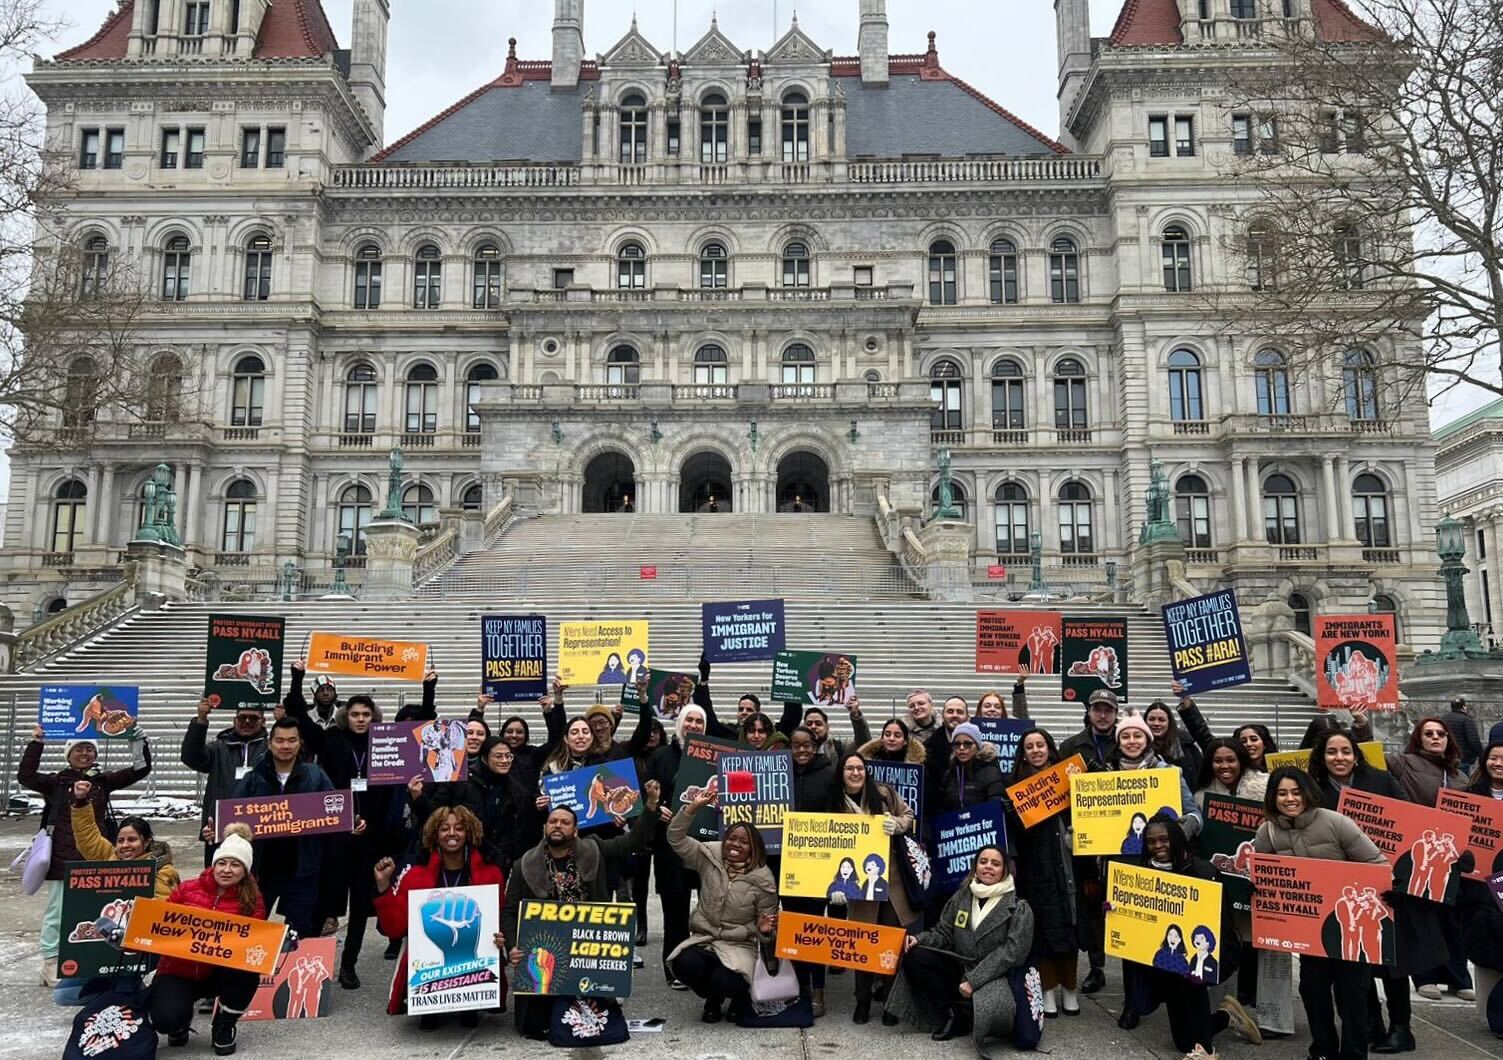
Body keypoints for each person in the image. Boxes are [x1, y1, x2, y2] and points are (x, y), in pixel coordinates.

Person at [502, 782, 661, 1039]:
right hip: (545, 957)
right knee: (534, 1026)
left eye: (565, 822)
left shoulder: (594, 849)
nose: (558, 826)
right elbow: (509, 912)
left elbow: (633, 840)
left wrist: (651, 806)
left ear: (576, 830)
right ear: (545, 828)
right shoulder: (525, 864)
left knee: (596, 1020)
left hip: (587, 954)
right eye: (553, 821)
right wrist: (512, 946)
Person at [1254, 767, 1389, 1060]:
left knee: (1352, 992)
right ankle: (1322, 1049)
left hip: (1350, 928)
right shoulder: (1267, 831)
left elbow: (1377, 864)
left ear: (1307, 792)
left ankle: (1354, 1053)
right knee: (1313, 990)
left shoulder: (1337, 823)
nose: (1290, 799)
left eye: (1295, 791)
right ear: (1272, 797)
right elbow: (1261, 876)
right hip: (1308, 932)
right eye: (1282, 793)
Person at [19, 725, 152, 986]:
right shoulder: (56, 782)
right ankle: (51, 960)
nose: (84, 753)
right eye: (79, 748)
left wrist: (136, 740)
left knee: (98, 909)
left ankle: (90, 956)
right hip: (62, 858)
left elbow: (140, 769)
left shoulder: (101, 782)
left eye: (89, 749)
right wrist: (37, 743)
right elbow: (26, 776)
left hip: (96, 857)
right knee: (58, 911)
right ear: (68, 754)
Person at [1115, 816, 1260, 1054]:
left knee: (1193, 978)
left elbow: (1221, 924)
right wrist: (1116, 908)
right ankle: (1228, 1016)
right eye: (1151, 842)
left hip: (1206, 951)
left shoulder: (1203, 871)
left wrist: (1203, 959)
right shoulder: (1141, 874)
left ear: (1176, 839)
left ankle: (1205, 1052)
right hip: (1168, 959)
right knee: (1183, 1042)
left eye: (1164, 839)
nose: (1158, 846)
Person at [882, 846, 1035, 1050]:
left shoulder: (1019, 908)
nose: (988, 867)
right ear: (975, 866)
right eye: (983, 862)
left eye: (995, 864)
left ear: (1005, 871)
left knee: (994, 1015)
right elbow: (944, 933)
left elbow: (1011, 954)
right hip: (962, 968)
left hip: (995, 977)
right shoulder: (962, 897)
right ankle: (954, 1011)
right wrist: (919, 939)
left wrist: (974, 981)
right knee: (915, 956)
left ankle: (969, 1011)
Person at [372, 806, 505, 1029]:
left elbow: (500, 919)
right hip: (427, 970)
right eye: (444, 828)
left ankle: (470, 1004)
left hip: (475, 970)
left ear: (469, 833)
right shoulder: (414, 876)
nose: (452, 833)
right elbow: (394, 929)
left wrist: (501, 938)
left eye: (459, 828)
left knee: (470, 1019)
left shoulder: (491, 874)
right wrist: (384, 885)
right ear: (435, 834)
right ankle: (429, 1004)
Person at [666, 779, 779, 1023]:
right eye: (731, 838)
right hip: (705, 939)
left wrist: (765, 931)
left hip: (740, 945)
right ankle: (713, 998)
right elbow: (675, 838)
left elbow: (768, 928)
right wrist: (691, 809)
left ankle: (738, 997)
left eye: (743, 841)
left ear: (754, 847)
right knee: (684, 965)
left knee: (724, 979)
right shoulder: (708, 855)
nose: (735, 845)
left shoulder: (764, 879)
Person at [149, 822, 266, 1055]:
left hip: (221, 970)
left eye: (235, 864)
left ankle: (224, 1024)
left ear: (245, 870)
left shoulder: (253, 900)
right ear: (214, 865)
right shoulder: (187, 889)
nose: (227, 869)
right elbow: (161, 924)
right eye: (222, 863)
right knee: (165, 1019)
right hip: (179, 969)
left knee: (247, 969)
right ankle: (179, 1024)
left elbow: (254, 943)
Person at [1383, 716, 1473, 1003]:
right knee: (1421, 918)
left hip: (1450, 858)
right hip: (1416, 853)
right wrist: (1361, 723)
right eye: (1429, 733)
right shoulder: (1403, 763)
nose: (1436, 738)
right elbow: (1369, 757)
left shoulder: (1460, 776)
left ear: (1448, 739)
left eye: (1441, 733)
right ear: (1418, 738)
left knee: (1451, 919)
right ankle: (1426, 977)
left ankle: (1458, 978)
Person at [829, 750, 919, 1023]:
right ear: (841, 773)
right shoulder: (834, 801)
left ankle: (891, 1002)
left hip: (891, 882)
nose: (855, 773)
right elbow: (827, 846)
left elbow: (909, 815)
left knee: (890, 943)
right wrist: (834, 884)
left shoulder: (883, 793)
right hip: (858, 883)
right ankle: (863, 1000)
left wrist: (898, 824)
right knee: (862, 943)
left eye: (859, 768)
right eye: (849, 769)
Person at [317, 694, 399, 990]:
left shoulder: (386, 741)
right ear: (346, 716)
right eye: (355, 714)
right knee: (325, 902)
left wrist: (429, 689)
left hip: (371, 836)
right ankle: (312, 963)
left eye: (366, 714)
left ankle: (349, 965)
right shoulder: (333, 739)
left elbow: (420, 725)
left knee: (361, 905)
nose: (361, 719)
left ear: (373, 717)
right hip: (338, 834)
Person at [231, 716, 334, 940]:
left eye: (291, 740)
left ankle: (291, 974)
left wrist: (351, 822)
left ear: (300, 743)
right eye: (279, 740)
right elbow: (234, 821)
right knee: (251, 927)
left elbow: (333, 815)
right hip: (261, 869)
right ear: (269, 743)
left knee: (299, 932)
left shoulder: (316, 776)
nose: (285, 746)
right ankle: (248, 975)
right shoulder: (253, 779)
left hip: (303, 868)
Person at [1005, 727, 1080, 1017]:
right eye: (1030, 746)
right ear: (1023, 753)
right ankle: (1048, 990)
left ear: (1050, 748)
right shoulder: (1016, 786)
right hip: (1037, 867)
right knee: (1043, 932)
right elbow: (1018, 832)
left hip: (1069, 864)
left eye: (1041, 745)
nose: (1036, 750)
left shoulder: (1070, 777)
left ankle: (1070, 988)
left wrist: (1077, 790)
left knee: (1070, 929)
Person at [786, 725, 837, 1014]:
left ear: (816, 745)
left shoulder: (829, 775)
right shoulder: (781, 774)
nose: (802, 750)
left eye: (807, 745)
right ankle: (799, 986)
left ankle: (818, 990)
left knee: (816, 927)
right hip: (786, 862)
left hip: (818, 862)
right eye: (796, 745)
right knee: (793, 925)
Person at [182, 698, 267, 865]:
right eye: (242, 718)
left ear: (263, 721)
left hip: (261, 831)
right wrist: (201, 720)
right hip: (219, 831)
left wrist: (283, 721)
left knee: (257, 886)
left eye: (253, 718)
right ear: (234, 720)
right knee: (219, 881)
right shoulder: (218, 747)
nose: (247, 722)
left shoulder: (271, 749)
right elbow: (191, 757)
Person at [69, 779, 179, 898]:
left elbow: (161, 907)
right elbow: (87, 836)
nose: (125, 845)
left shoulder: (163, 871)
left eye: (132, 840)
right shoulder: (110, 858)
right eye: (120, 841)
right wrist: (81, 801)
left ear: (146, 842)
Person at [1111, 710, 1202, 838]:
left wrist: (1192, 821)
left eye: (1138, 736)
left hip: (1161, 853)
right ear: (1119, 744)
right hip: (1119, 853)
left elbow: (1194, 813)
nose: (1131, 741)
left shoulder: (1168, 773)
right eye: (1125, 737)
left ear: (1147, 740)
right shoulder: (1106, 776)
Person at [475, 736, 542, 874]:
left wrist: (541, 810)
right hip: (476, 857)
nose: (505, 761)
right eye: (498, 756)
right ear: (484, 758)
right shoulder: (470, 784)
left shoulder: (518, 789)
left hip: (508, 860)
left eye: (508, 756)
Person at [937, 722, 1006, 814]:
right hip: (954, 826)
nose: (961, 748)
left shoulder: (990, 773)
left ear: (977, 746)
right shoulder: (949, 775)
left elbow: (995, 808)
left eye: (968, 744)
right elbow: (941, 809)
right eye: (957, 744)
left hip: (983, 825)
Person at [1059, 688, 1120, 771]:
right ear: (1089, 712)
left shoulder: (1127, 744)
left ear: (1116, 713)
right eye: (1097, 710)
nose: (1102, 716)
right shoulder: (1069, 747)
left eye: (1108, 711)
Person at [1195, 737, 1269, 806]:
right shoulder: (1201, 799)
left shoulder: (1267, 788)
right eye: (1218, 761)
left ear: (1241, 762)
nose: (1225, 766)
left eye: (1231, 760)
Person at [803, 698, 870, 762]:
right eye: (809, 724)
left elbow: (863, 742)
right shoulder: (796, 750)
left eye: (818, 724)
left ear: (827, 728)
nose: (813, 727)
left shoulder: (839, 748)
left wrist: (855, 714)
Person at [858, 718, 927, 768]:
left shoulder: (920, 765)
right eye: (887, 735)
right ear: (882, 738)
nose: (891, 739)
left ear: (905, 741)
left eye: (897, 736)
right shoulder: (869, 761)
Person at [1442, 697, 1483, 776]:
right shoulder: (1466, 719)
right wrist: (1481, 754)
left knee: (1447, 778)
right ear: (1464, 707)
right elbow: (1473, 739)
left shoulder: (1443, 718)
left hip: (1446, 755)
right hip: (1462, 756)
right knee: (1461, 780)